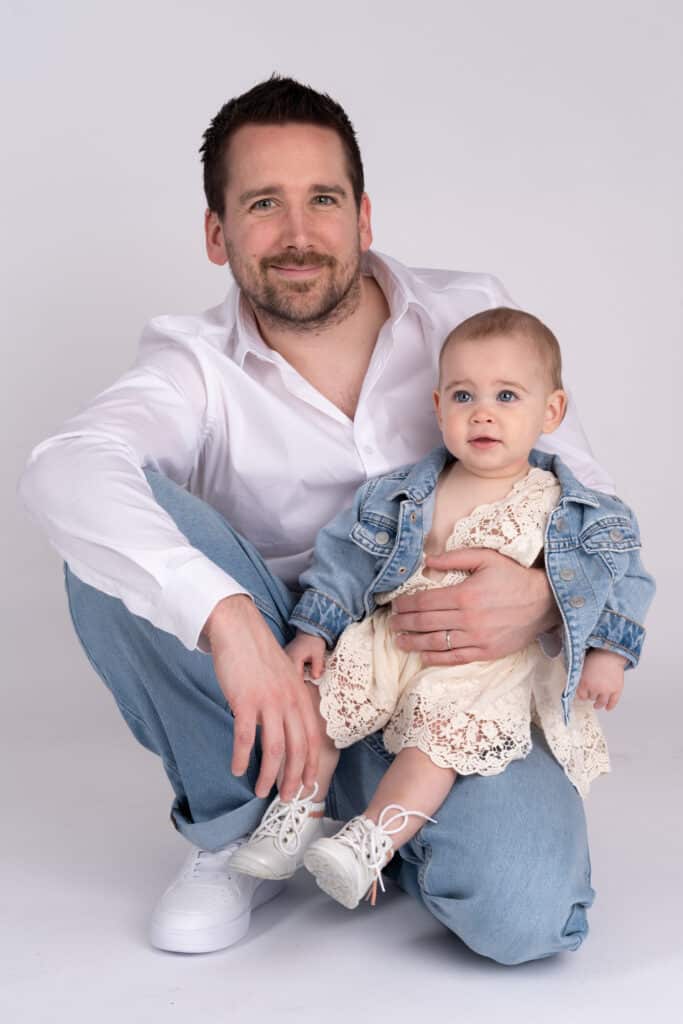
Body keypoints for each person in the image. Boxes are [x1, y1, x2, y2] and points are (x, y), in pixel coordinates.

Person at [19, 75, 623, 963]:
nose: (298, 235)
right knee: (113, 529)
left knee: (526, 916)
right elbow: (62, 469)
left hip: (444, 676)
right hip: (282, 666)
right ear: (217, 233)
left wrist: (543, 600)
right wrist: (231, 627)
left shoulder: (465, 315)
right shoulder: (193, 365)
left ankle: (374, 820)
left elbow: (590, 500)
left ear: (364, 218)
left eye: (323, 201)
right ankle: (244, 824)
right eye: (264, 204)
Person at [227, 307, 654, 909]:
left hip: (481, 668)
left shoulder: (578, 510)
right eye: (463, 395)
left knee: (437, 743)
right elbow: (346, 559)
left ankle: (371, 841)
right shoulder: (402, 492)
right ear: (438, 407)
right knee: (326, 696)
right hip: (392, 635)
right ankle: (299, 809)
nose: (483, 412)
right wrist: (315, 629)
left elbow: (623, 577)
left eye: (507, 396)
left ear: (551, 412)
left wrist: (609, 653)